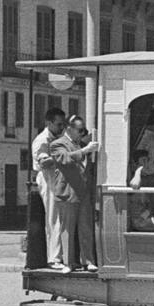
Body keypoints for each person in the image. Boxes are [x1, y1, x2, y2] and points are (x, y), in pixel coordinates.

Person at [49, 116, 101, 271]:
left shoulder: (82, 144)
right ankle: (68, 263)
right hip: (67, 192)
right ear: (69, 129)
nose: (82, 133)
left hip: (83, 192)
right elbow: (64, 159)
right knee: (68, 230)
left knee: (85, 228)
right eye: (80, 130)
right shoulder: (57, 144)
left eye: (83, 131)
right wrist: (85, 151)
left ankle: (88, 261)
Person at [31, 107, 68, 267]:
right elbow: (43, 162)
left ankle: (61, 255)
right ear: (49, 123)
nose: (61, 128)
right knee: (54, 218)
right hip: (48, 179)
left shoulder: (59, 137)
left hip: (60, 179)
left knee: (62, 218)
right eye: (59, 124)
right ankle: (54, 258)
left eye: (63, 124)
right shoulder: (42, 140)